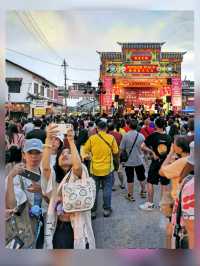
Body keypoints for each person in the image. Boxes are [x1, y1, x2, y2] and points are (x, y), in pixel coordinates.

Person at [41, 124, 95, 249]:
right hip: (60, 226)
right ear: (57, 161)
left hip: (79, 225)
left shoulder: (80, 174)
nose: (65, 155)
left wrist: (71, 141)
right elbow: (45, 168)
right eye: (62, 154)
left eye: (69, 153)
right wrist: (48, 140)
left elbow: (77, 167)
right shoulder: (54, 178)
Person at [5, 138, 47, 248]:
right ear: (24, 155)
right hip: (24, 224)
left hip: (44, 222)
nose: (34, 157)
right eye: (30, 153)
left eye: (37, 153)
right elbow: (12, 205)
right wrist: (10, 177)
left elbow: (53, 200)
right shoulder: (17, 175)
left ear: (42, 154)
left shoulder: (47, 173)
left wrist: (41, 191)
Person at [83, 120, 118, 219]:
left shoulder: (92, 138)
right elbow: (115, 151)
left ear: (97, 129)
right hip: (108, 169)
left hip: (94, 169)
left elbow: (85, 150)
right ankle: (106, 210)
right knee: (107, 190)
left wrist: (89, 156)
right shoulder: (111, 138)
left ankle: (93, 212)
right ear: (106, 128)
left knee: (94, 190)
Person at [139, 117, 172, 211]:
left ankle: (150, 204)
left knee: (150, 182)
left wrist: (152, 152)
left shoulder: (153, 135)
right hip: (165, 164)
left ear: (156, 125)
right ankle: (163, 205)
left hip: (155, 163)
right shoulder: (169, 137)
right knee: (164, 184)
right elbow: (170, 153)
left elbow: (142, 146)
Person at [120, 119, 146, 201]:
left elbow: (121, 149)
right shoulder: (141, 136)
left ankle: (130, 195)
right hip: (139, 160)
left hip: (129, 161)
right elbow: (144, 148)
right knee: (141, 177)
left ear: (129, 126)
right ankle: (143, 192)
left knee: (130, 178)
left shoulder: (126, 136)